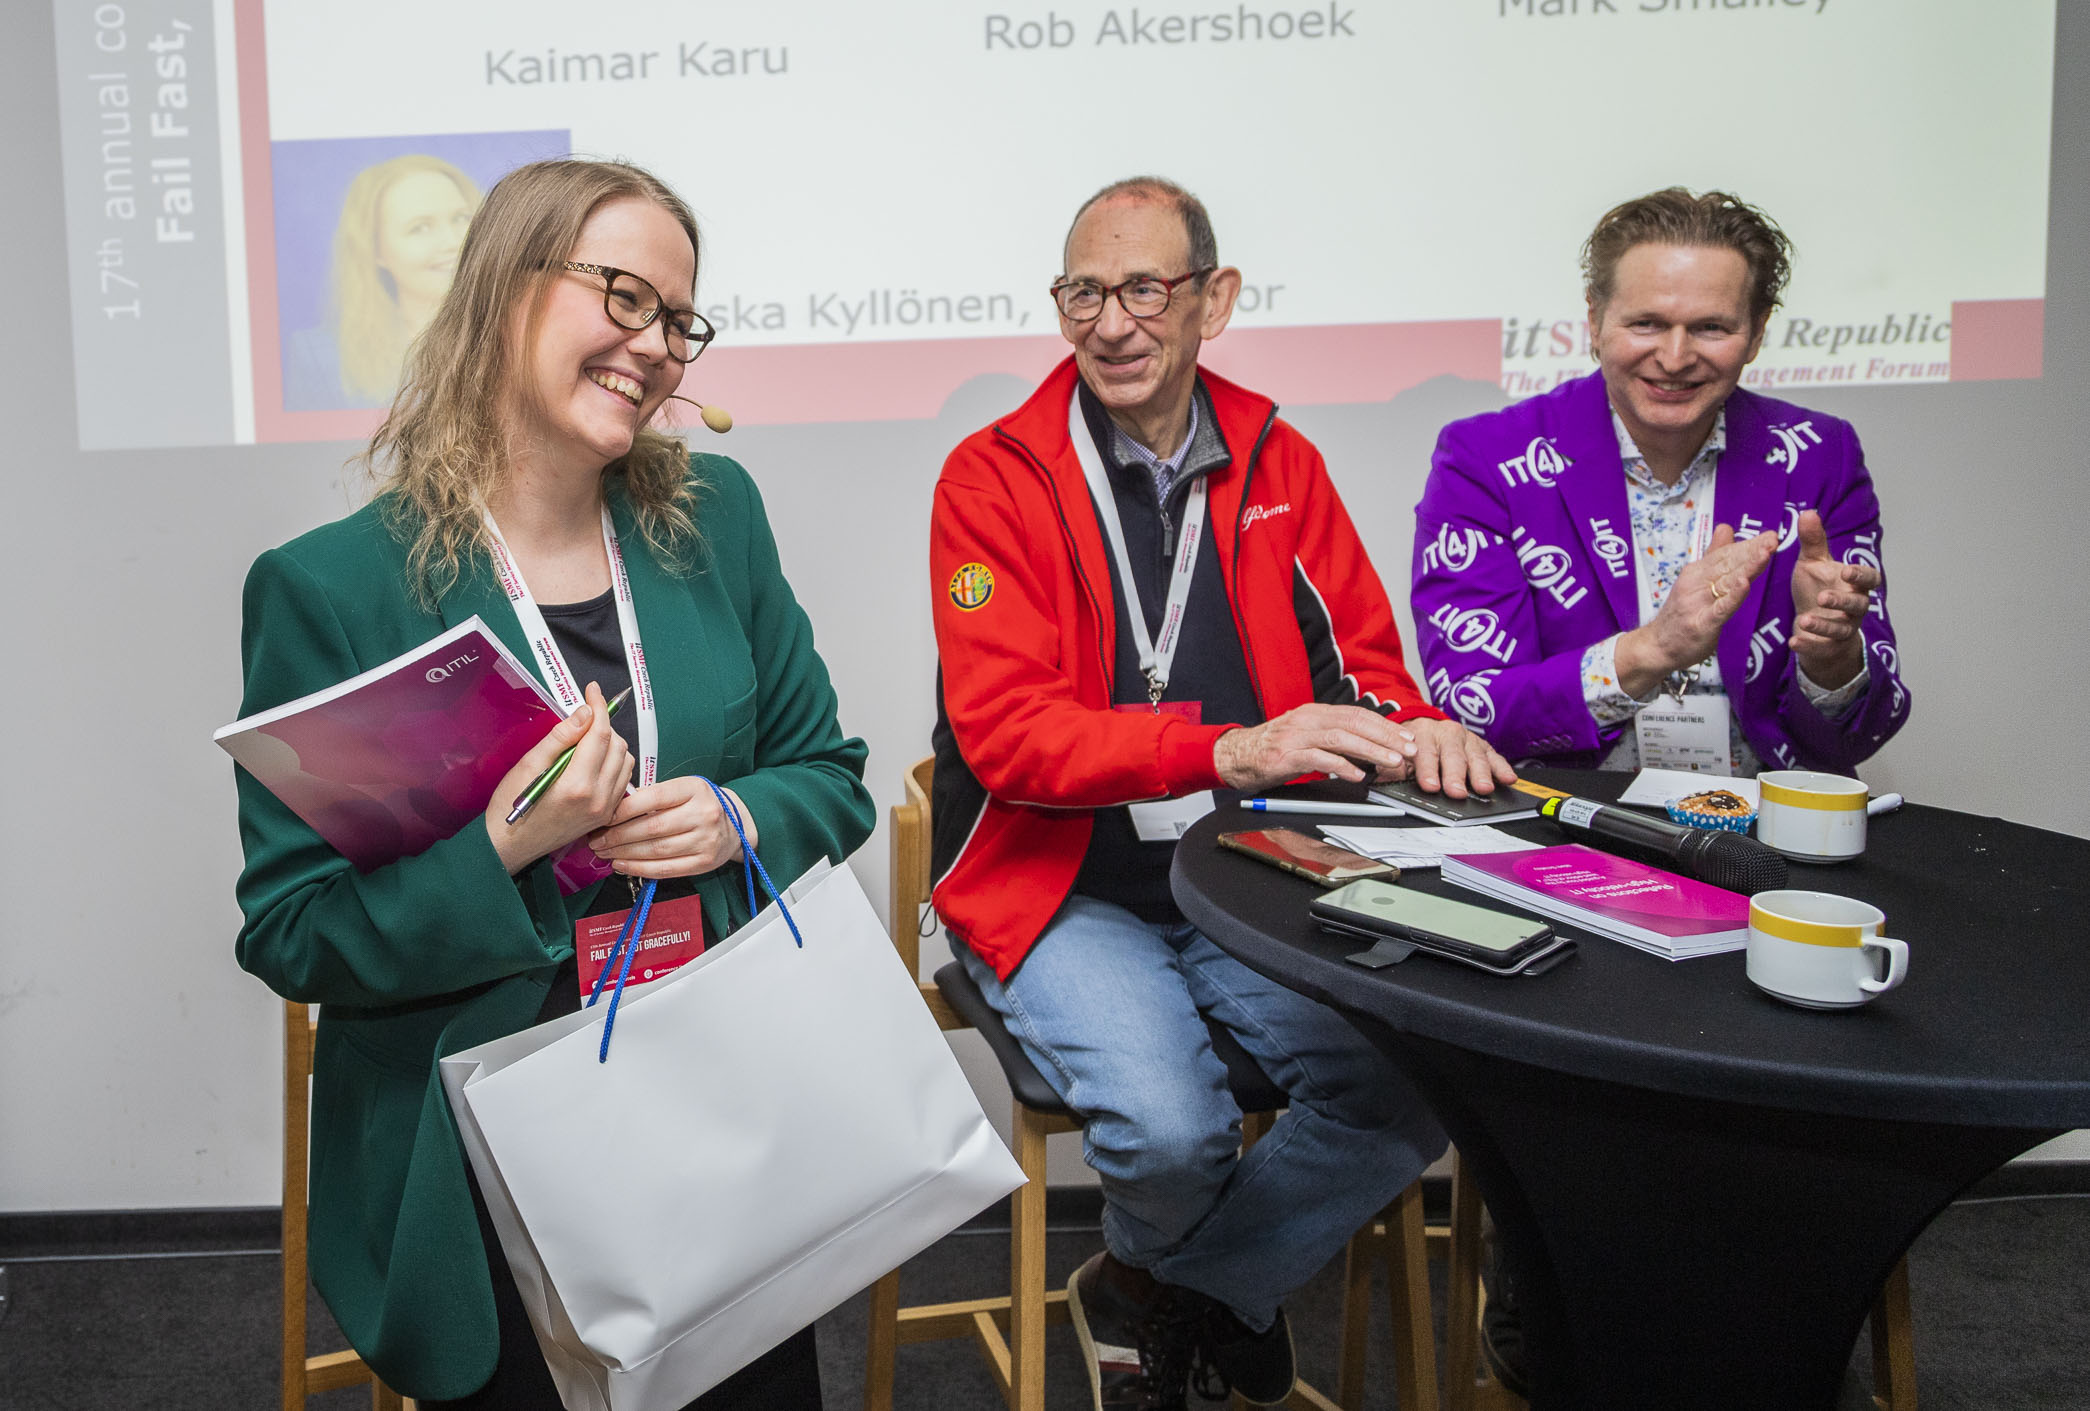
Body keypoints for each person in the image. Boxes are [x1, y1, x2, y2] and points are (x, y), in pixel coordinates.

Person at [234, 158, 873, 1408]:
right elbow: (296, 933)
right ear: (502, 288)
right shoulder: (333, 590)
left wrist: (734, 815)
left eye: (677, 320)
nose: (657, 346)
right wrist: (504, 849)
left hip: (717, 1104)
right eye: (623, 297)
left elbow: (829, 777)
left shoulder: (716, 521)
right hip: (485, 1147)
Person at [928, 176, 1512, 1410]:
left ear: (1215, 299)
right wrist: (1226, 750)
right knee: (1171, 1132)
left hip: (1247, 879)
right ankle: (1210, 1289)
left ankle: (1159, 1290)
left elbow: (1365, 670)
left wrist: (1417, 730)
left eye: (1144, 289)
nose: (1110, 324)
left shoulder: (1278, 459)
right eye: (1083, 292)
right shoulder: (990, 479)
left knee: (1414, 1090)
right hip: (1059, 886)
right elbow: (1008, 738)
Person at [1411, 187, 1910, 777]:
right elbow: (1474, 706)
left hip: (1765, 816)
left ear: (1756, 333)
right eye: (1646, 323)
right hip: (1571, 814)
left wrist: (1830, 659)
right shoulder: (1487, 459)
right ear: (1595, 320)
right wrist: (1654, 650)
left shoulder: (1819, 455)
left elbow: (1860, 734)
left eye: (1711, 328)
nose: (1674, 358)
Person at [284, 153, 480, 409]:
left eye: (461, 218)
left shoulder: (516, 339)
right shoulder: (320, 358)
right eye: (420, 227)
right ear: (376, 250)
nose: (453, 242)